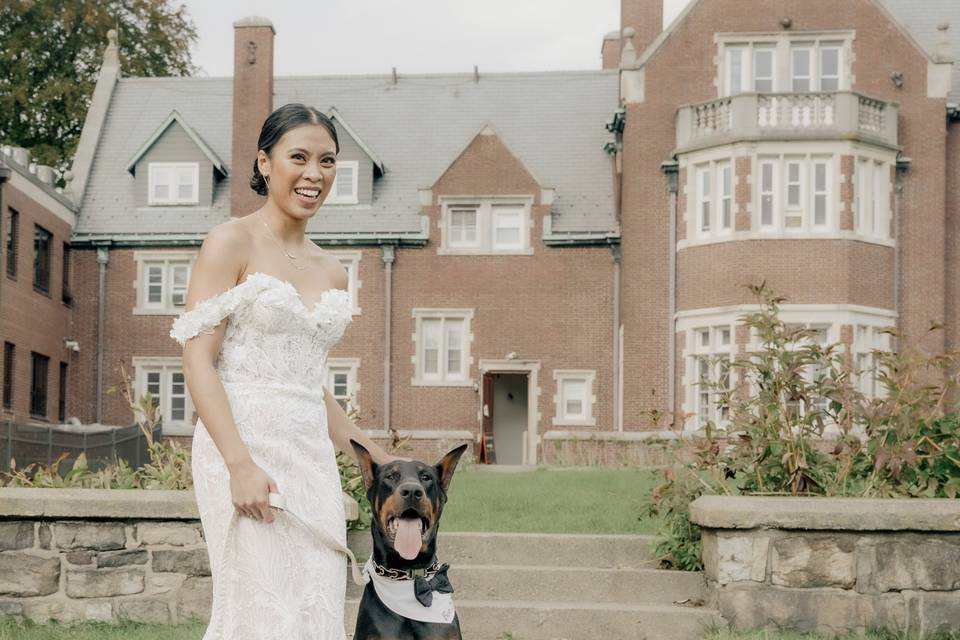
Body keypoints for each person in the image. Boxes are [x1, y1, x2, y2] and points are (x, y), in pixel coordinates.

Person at [170, 103, 401, 639]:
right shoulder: (231, 242)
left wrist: (378, 458)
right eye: (298, 157)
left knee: (315, 604)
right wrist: (239, 465)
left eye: (327, 161)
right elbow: (198, 360)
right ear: (265, 163)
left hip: (310, 460)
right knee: (262, 608)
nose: (314, 174)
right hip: (243, 446)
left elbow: (308, 388)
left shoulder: (333, 270)